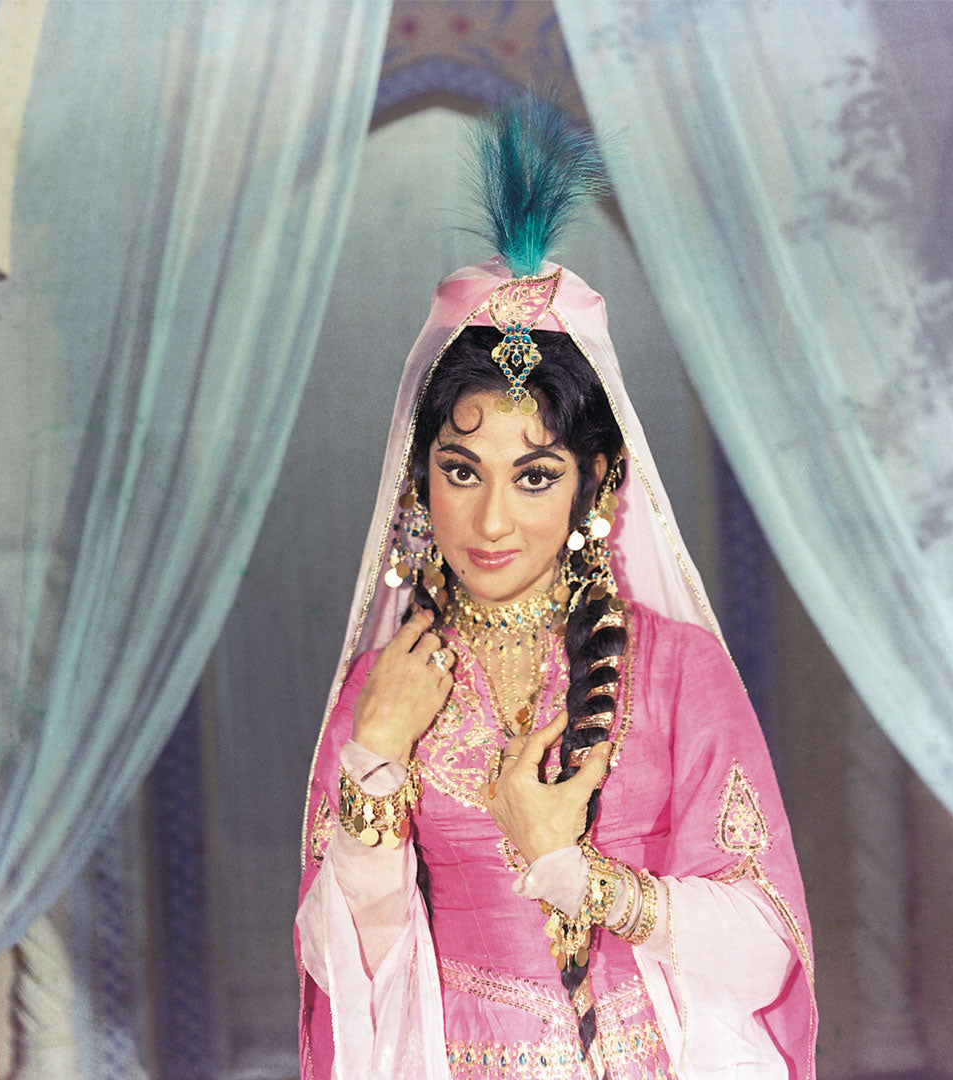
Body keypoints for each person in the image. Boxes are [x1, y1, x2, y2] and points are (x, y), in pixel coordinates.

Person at [295, 102, 817, 1080]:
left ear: (599, 485)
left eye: (534, 475)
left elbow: (763, 951)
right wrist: (374, 762)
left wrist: (575, 872)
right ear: (419, 481)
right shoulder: (387, 687)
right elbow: (339, 971)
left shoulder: (674, 671)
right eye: (462, 470)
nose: (491, 520)